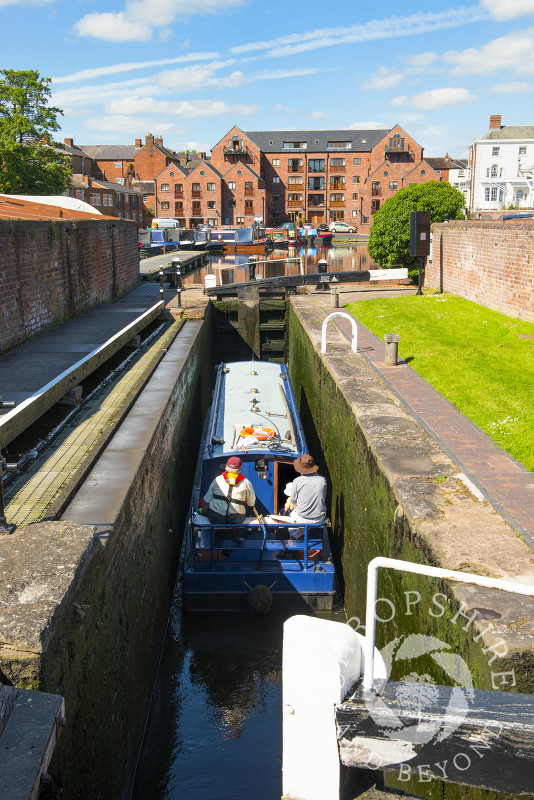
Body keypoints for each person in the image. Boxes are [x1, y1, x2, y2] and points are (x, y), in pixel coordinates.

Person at [203, 456, 256, 525]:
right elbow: (251, 504)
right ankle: (235, 535)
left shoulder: (217, 480)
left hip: (216, 517)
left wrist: (204, 513)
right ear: (240, 469)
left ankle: (217, 533)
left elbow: (206, 501)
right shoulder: (246, 483)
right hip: (235, 518)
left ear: (226, 467)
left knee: (215, 516)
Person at [287, 454, 326, 535]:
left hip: (302, 519)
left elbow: (293, 501)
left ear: (301, 469)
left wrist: (294, 506)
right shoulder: (323, 480)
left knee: (290, 513)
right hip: (318, 519)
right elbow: (322, 498)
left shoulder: (297, 481)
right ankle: (297, 536)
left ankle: (293, 536)